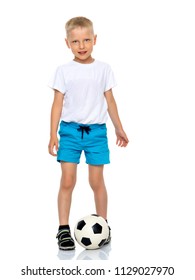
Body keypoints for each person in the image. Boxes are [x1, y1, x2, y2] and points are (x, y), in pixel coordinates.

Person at [48, 16, 129, 250]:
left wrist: (119, 127)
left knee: (96, 180)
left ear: (95, 40)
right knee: (68, 180)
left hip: (97, 133)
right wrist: (53, 133)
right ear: (67, 43)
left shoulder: (104, 69)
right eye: (75, 42)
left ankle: (103, 225)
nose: (81, 46)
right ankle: (63, 229)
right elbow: (57, 104)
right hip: (70, 132)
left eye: (86, 40)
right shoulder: (63, 71)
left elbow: (110, 100)